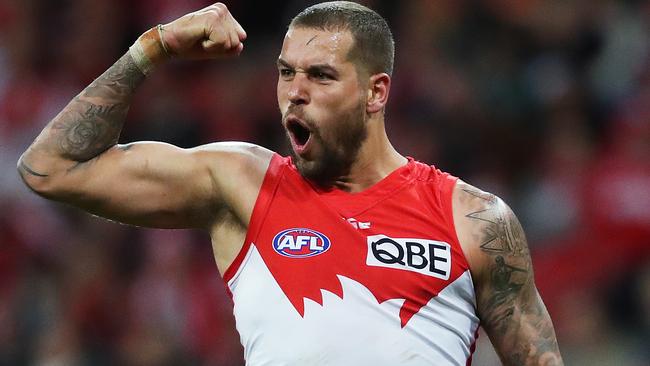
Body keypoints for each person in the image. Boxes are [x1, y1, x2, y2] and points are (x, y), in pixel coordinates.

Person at [17, 2, 563, 365]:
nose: (294, 93)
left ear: (376, 93)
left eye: (320, 76)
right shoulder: (241, 185)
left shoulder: (474, 220)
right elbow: (51, 167)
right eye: (285, 72)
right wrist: (151, 48)